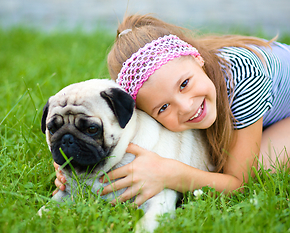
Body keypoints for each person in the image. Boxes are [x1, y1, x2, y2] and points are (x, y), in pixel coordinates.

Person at [53, 14, 290, 206]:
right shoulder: (152, 87)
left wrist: (171, 173)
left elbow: (238, 183)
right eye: (163, 107)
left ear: (197, 59)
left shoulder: (244, 78)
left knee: (256, 166)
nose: (187, 106)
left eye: (184, 84)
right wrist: (71, 158)